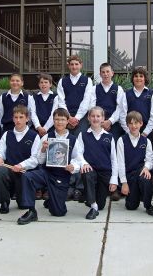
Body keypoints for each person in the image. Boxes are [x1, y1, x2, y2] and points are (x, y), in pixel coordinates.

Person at [17, 108, 82, 225]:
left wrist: (73, 166)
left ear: (67, 121)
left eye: (62, 119)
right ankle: (31, 211)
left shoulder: (73, 139)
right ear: (53, 120)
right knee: (27, 176)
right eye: (57, 119)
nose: (59, 122)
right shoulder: (47, 137)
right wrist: (43, 149)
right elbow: (39, 161)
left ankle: (51, 200)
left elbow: (78, 159)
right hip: (46, 172)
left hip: (62, 177)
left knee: (58, 212)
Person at [57, 55, 93, 201]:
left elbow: (87, 100)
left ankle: (79, 187)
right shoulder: (62, 81)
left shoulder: (87, 81)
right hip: (66, 119)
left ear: (81, 65)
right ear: (68, 65)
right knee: (65, 151)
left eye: (76, 64)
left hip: (81, 119)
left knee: (80, 152)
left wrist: (76, 117)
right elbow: (61, 99)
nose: (74, 67)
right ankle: (67, 187)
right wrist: (67, 117)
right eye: (71, 64)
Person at [0, 105, 40, 214]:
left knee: (23, 206)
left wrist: (21, 165)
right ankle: (4, 202)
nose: (18, 120)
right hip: (9, 170)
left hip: (24, 172)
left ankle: (21, 198)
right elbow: (0, 151)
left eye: (21, 117)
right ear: (13, 119)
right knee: (0, 171)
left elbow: (35, 159)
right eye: (16, 117)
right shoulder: (7, 134)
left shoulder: (34, 136)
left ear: (27, 119)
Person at [78, 106, 118, 220]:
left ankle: (92, 199)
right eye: (93, 116)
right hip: (90, 170)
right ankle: (92, 205)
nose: (95, 118)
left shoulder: (109, 137)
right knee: (86, 172)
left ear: (103, 118)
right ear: (88, 118)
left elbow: (114, 159)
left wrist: (114, 179)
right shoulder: (83, 135)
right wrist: (84, 163)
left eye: (98, 116)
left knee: (101, 205)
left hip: (104, 173)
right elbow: (78, 153)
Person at [114, 111, 153, 216]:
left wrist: (146, 168)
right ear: (127, 124)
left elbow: (150, 159)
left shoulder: (146, 141)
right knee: (131, 207)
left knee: (146, 178)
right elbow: (120, 163)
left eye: (136, 123)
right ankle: (135, 195)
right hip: (129, 176)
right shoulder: (121, 140)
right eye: (131, 123)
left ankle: (148, 205)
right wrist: (124, 183)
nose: (134, 126)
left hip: (141, 172)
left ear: (141, 124)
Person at [119, 66, 153, 150]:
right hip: (130, 129)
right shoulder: (126, 94)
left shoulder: (152, 94)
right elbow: (122, 115)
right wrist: (129, 131)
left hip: (148, 131)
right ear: (133, 78)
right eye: (136, 76)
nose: (138, 78)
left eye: (141, 76)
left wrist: (145, 133)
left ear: (145, 78)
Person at [90, 62, 124, 141]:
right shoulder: (94, 89)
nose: (105, 74)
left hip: (114, 124)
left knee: (113, 146)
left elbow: (120, 108)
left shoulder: (119, 89)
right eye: (103, 72)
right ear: (100, 74)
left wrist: (110, 121)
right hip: (97, 122)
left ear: (112, 73)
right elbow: (92, 107)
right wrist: (100, 122)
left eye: (108, 71)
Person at [31, 73, 58, 137]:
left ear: (50, 84)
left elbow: (54, 114)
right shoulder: (33, 97)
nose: (43, 84)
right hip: (36, 128)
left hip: (51, 128)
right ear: (39, 84)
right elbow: (33, 113)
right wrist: (38, 127)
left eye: (46, 82)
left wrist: (45, 128)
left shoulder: (55, 97)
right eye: (41, 82)